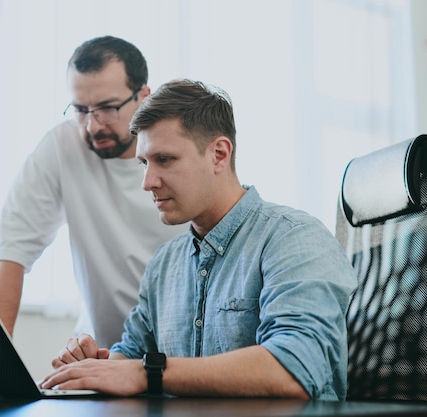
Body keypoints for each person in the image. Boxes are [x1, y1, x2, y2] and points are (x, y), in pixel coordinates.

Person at [39, 79, 358, 400]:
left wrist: (144, 373)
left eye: (164, 160)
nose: (148, 182)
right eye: (144, 163)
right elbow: (133, 354)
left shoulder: (294, 239)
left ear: (219, 154)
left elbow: (295, 370)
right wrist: (96, 367)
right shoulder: (165, 263)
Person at [0, 36, 188, 348]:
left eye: (107, 108)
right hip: (103, 354)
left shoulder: (183, 153)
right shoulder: (62, 147)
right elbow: (8, 255)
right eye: (81, 109)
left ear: (144, 97)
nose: (93, 126)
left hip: (181, 353)